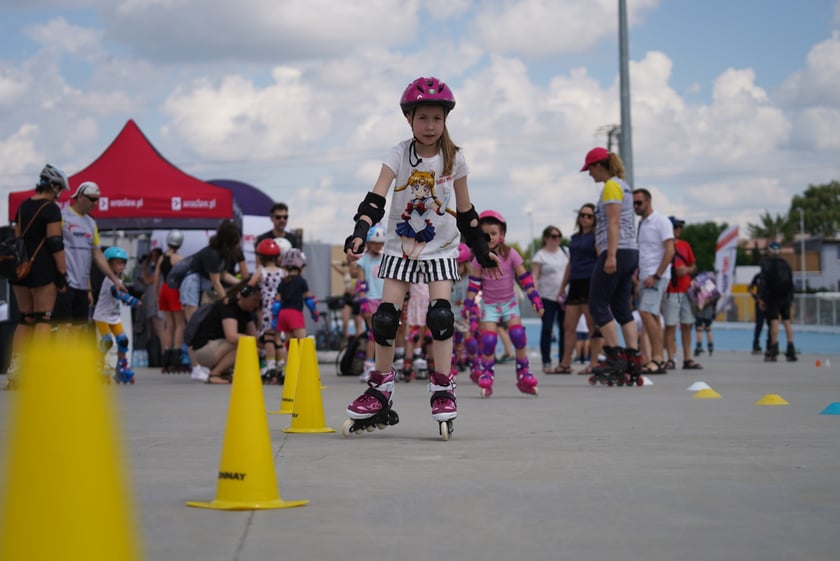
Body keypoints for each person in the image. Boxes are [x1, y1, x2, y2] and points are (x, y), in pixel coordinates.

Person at [342, 76, 497, 437]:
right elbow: (376, 198)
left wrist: (482, 250)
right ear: (409, 119)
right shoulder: (398, 153)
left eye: (437, 118)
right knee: (384, 319)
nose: (430, 126)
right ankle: (380, 389)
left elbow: (466, 210)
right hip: (399, 246)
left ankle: (443, 388)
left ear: (446, 120)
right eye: (422, 118)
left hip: (440, 249)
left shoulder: (454, 159)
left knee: (440, 316)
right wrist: (361, 232)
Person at [464, 210, 544, 398]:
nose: (489, 237)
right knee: (489, 340)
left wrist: (535, 298)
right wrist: (468, 306)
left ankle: (524, 373)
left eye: (494, 233)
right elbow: (474, 285)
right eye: (485, 234)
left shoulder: (510, 254)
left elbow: (524, 277)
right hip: (489, 305)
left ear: (502, 235)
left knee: (517, 335)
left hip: (509, 303)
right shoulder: (479, 259)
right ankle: (487, 374)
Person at [579, 147, 641, 385]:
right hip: (629, 251)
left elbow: (614, 221)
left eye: (590, 169)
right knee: (621, 306)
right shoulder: (622, 185)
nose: (589, 175)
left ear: (599, 166)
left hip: (618, 250)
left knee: (597, 304)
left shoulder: (612, 186)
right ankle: (633, 358)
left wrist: (611, 255)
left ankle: (616, 355)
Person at [5, 164, 70, 388]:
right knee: (44, 317)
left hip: (21, 267)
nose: (59, 193)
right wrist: (62, 272)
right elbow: (54, 241)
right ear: (53, 186)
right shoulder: (51, 208)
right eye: (59, 188)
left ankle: (16, 371)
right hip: (42, 267)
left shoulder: (23, 205)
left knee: (26, 318)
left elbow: (18, 234)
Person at [53, 180, 127, 327]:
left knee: (79, 328)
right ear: (80, 197)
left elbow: (97, 254)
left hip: (82, 285)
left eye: (97, 200)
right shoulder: (63, 217)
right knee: (64, 328)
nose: (95, 203)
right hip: (65, 283)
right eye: (92, 199)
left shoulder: (91, 223)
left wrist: (114, 280)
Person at [556, 203, 602, 375]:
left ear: (594, 219)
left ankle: (594, 363)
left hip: (591, 282)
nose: (585, 218)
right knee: (568, 325)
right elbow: (570, 263)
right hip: (575, 283)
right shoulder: (574, 238)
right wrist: (562, 286)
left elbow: (600, 260)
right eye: (582, 215)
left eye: (589, 216)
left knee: (593, 325)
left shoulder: (596, 237)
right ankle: (565, 363)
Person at [632, 188, 674, 374]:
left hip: (656, 276)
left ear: (649, 201)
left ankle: (657, 358)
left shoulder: (661, 221)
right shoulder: (642, 224)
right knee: (653, 316)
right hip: (644, 276)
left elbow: (670, 250)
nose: (636, 207)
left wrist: (656, 275)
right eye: (634, 203)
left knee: (644, 312)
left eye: (639, 203)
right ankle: (658, 359)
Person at [189, 280, 262, 384]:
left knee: (252, 347)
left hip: (217, 347)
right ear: (243, 296)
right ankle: (215, 374)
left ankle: (223, 372)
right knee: (245, 345)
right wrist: (254, 341)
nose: (257, 305)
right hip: (204, 349)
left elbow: (256, 338)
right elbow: (231, 336)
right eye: (255, 300)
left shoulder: (246, 311)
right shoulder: (228, 307)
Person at [180, 220, 247, 321]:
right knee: (193, 320)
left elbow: (223, 275)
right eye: (236, 241)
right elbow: (216, 282)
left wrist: (241, 284)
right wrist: (225, 300)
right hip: (192, 282)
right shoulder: (212, 254)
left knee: (198, 319)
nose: (238, 245)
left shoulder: (225, 253)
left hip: (202, 284)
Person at [92, 247, 142, 384]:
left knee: (123, 340)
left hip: (114, 317)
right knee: (107, 341)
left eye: (122, 263)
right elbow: (117, 293)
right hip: (102, 316)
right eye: (116, 263)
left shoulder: (119, 279)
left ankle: (121, 367)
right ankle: (98, 365)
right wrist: (133, 301)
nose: (120, 266)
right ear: (108, 264)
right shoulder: (109, 280)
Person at [663, 216, 703, 370]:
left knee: (687, 324)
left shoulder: (685, 246)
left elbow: (694, 266)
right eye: (675, 227)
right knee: (670, 326)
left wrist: (686, 270)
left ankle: (687, 358)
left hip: (687, 290)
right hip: (670, 290)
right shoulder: (663, 245)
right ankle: (671, 358)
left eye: (679, 227)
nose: (678, 230)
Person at [531, 225, 569, 373]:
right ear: (546, 238)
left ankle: (563, 362)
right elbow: (535, 275)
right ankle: (546, 362)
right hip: (547, 296)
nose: (557, 239)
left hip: (564, 297)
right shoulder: (540, 255)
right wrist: (534, 294)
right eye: (554, 236)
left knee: (565, 329)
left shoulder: (566, 252)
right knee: (547, 329)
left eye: (559, 236)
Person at [352, 224, 386, 381]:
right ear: (368, 243)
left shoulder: (385, 257)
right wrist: (363, 301)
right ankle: (369, 366)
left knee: (384, 335)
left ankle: (382, 367)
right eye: (375, 243)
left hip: (384, 299)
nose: (378, 246)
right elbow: (360, 283)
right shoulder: (363, 260)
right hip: (370, 300)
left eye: (380, 243)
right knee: (373, 334)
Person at [154, 230, 191, 373]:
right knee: (180, 324)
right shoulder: (178, 258)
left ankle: (166, 358)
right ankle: (176, 358)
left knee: (169, 325)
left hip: (164, 289)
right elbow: (184, 278)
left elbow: (157, 278)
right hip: (174, 290)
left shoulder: (162, 258)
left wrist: (157, 296)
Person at [271, 248, 319, 356]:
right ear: (300, 266)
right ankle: (302, 367)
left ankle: (291, 368)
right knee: (301, 343)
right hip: (294, 314)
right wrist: (314, 314)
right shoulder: (301, 281)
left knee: (290, 346)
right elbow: (309, 300)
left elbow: (277, 303)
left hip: (283, 315)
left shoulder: (283, 281)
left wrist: (275, 319)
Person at [251, 238, 286, 383]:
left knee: (268, 339)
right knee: (279, 340)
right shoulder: (283, 272)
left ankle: (270, 366)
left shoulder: (261, 271)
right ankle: (282, 368)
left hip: (267, 310)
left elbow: (251, 284)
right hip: (281, 309)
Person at [758, 241, 797, 362]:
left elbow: (763, 283)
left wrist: (762, 298)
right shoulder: (786, 263)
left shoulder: (766, 263)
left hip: (773, 296)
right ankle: (791, 349)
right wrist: (791, 298)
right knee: (787, 321)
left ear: (769, 251)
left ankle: (773, 348)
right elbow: (791, 282)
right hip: (785, 296)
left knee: (774, 320)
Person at [748, 269, 767, 354]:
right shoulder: (758, 276)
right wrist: (756, 298)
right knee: (759, 324)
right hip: (759, 303)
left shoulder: (771, 275)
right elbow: (750, 288)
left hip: (769, 303)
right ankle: (756, 344)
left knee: (772, 323)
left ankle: (770, 344)